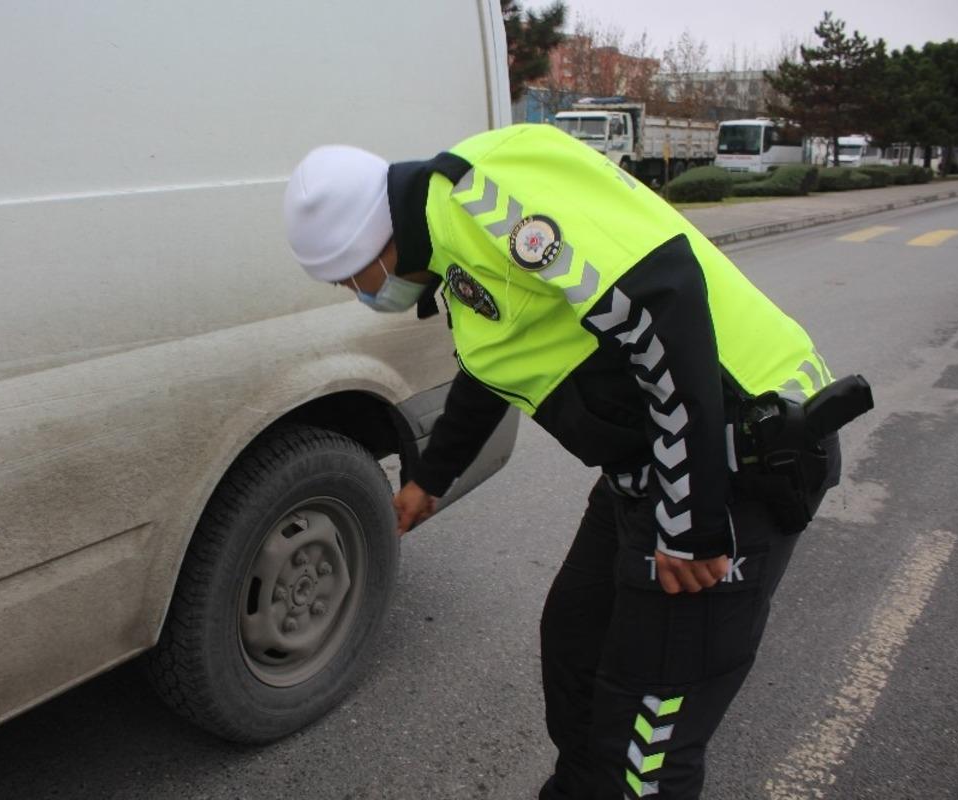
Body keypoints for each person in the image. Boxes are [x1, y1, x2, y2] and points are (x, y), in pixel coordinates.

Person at [282, 124, 848, 799]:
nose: (357, 291)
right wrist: (430, 480)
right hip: (650, 467)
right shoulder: (452, 244)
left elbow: (662, 304)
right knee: (576, 651)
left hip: (730, 461)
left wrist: (690, 521)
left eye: (351, 276)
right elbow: (496, 364)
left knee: (642, 749)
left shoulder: (488, 202)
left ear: (371, 241)